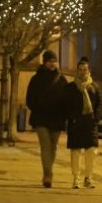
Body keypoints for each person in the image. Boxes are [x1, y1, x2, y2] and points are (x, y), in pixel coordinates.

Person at [26, 50, 67, 188]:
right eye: (50, 61)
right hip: (41, 118)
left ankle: (48, 172)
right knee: (45, 146)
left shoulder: (61, 79)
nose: (52, 64)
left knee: (53, 147)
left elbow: (67, 98)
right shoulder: (36, 78)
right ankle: (48, 175)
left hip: (57, 118)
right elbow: (29, 99)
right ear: (44, 62)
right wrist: (38, 108)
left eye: (54, 61)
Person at [65, 57, 101, 189]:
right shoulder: (70, 87)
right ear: (77, 70)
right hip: (76, 123)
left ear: (89, 70)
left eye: (84, 69)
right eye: (80, 69)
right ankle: (76, 178)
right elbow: (66, 105)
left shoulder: (94, 87)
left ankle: (89, 178)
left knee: (91, 152)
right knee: (75, 152)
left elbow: (99, 105)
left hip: (90, 124)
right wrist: (72, 118)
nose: (82, 72)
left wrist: (95, 119)